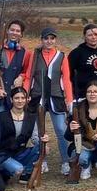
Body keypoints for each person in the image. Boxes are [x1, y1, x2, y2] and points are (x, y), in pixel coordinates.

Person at [22, 27, 75, 175]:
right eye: (46, 38)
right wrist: (26, 94)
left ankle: (65, 161)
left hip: (56, 97)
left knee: (60, 129)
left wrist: (69, 100)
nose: (49, 41)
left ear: (55, 40)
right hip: (37, 97)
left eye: (52, 38)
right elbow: (28, 76)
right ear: (42, 40)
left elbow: (66, 79)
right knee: (40, 132)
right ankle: (42, 160)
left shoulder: (61, 56)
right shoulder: (35, 55)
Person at [0, 87, 46, 184]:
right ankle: (4, 171)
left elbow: (35, 138)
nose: (20, 101)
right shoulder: (1, 116)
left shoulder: (30, 117)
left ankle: (26, 173)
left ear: (27, 99)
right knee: (18, 169)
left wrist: (43, 141)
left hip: (19, 152)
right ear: (11, 100)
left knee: (42, 147)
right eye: (16, 98)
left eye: (23, 98)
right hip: (3, 155)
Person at [68, 24, 97, 101]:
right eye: (90, 35)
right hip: (84, 96)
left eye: (96, 34)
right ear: (84, 37)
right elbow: (69, 75)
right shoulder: (76, 53)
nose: (93, 37)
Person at [0, 20, 28, 112]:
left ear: (21, 34)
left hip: (14, 97)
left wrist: (21, 77)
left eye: (18, 31)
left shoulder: (25, 53)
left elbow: (27, 71)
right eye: (12, 30)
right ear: (7, 31)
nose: (14, 33)